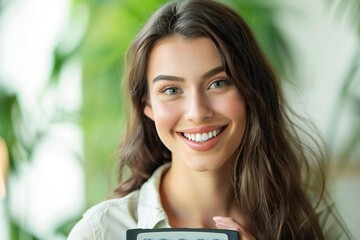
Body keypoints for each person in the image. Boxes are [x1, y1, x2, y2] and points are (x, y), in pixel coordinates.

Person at [68, 0, 350, 239]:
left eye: (218, 83)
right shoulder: (101, 231)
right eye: (171, 90)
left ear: (252, 91)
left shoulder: (305, 222)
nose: (197, 111)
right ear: (148, 106)